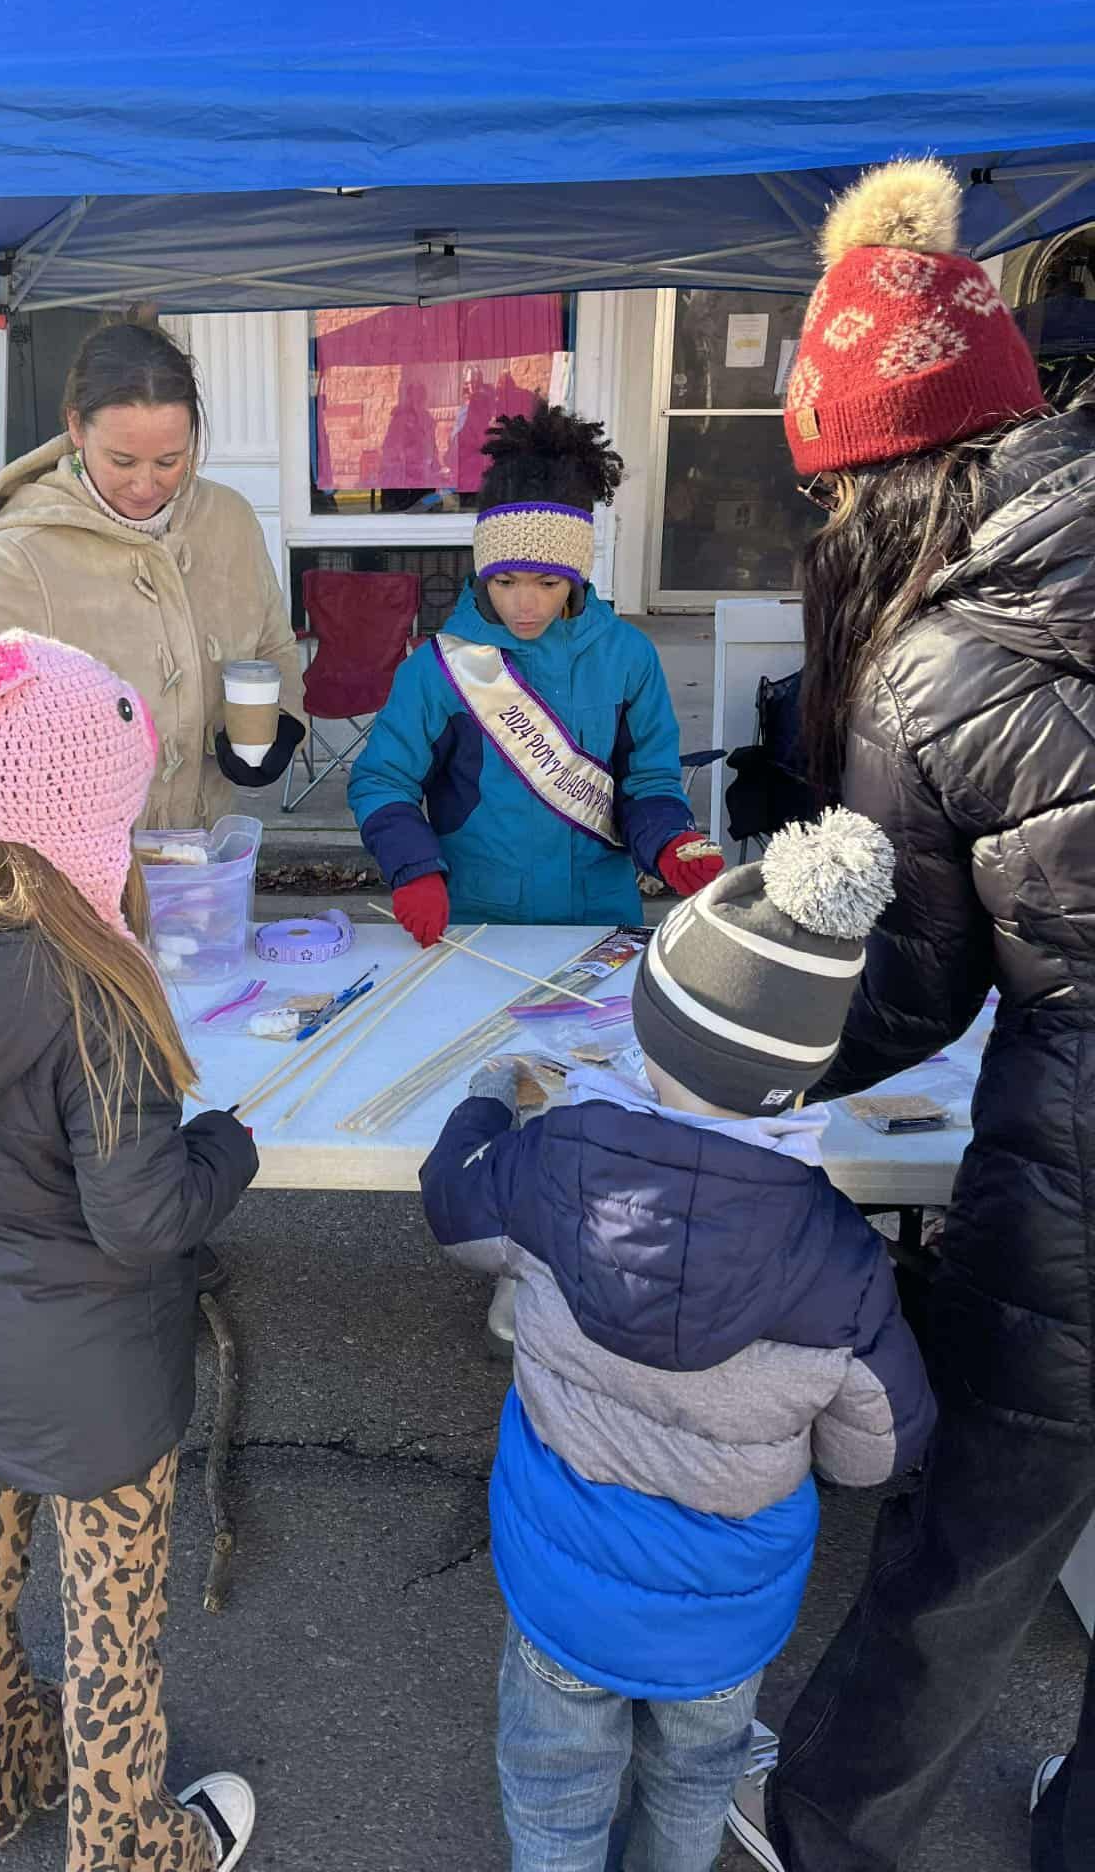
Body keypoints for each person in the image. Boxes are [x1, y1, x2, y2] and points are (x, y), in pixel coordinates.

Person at [722, 158, 1095, 1872]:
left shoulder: (934, 657)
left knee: (977, 1535)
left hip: (1078, 1151)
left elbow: (914, 983)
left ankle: (827, 1829)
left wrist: (736, 1020)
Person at [419, 812, 934, 1872]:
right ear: (800, 1082)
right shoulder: (837, 1258)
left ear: (644, 1027)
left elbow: (457, 1213)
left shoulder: (556, 1160)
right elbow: (875, 1448)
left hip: (562, 1589)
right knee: (694, 1784)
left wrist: (486, 1101)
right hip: (723, 1621)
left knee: (557, 1791)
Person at [0, 628, 259, 1872]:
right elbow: (143, 1217)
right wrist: (227, 1150)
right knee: (112, 1615)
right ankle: (126, 1839)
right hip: (104, 1381)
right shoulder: (96, 993)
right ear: (84, 815)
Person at [0, 316, 304, 829]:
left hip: (201, 858)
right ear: (76, 426)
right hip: (75, 880)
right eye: (122, 460)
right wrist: (37, 797)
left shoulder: (229, 521)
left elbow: (273, 648)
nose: (145, 485)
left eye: (169, 460)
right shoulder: (23, 557)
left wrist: (283, 723)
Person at [349, 404, 724, 943]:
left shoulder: (629, 657)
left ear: (575, 576)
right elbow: (383, 779)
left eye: (547, 584)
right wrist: (415, 868)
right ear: (482, 573)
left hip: (600, 922)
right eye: (506, 582)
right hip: (480, 921)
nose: (525, 605)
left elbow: (650, 780)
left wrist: (668, 841)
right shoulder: (437, 668)